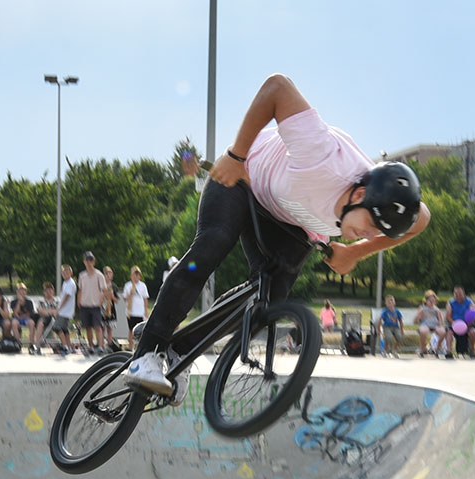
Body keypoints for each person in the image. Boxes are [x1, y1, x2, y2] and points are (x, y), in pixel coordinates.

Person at [127, 73, 430, 405]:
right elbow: (277, 87)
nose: (370, 233)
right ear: (359, 193)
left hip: (289, 221)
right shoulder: (322, 156)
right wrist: (237, 155)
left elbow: (422, 219)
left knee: (267, 301)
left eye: (378, 233)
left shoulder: (382, 207)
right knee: (213, 244)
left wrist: (358, 252)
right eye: (371, 224)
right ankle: (147, 352)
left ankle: (177, 352)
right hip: (244, 180)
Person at [77, 251, 107, 354]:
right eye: (87, 260)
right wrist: (79, 301)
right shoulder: (82, 275)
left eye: (91, 260)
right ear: (84, 262)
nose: (89, 262)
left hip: (95, 305)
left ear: (93, 262)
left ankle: (100, 346)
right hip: (85, 304)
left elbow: (104, 290)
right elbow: (80, 289)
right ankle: (90, 347)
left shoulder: (99, 275)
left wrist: (100, 302)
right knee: (88, 327)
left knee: (98, 327)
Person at [121, 266, 149, 351]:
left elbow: (145, 299)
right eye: (134, 275)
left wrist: (146, 311)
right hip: (131, 311)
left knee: (140, 331)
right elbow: (124, 298)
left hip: (140, 312)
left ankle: (139, 347)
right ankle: (130, 346)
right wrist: (130, 294)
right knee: (131, 330)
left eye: (138, 275)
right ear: (131, 276)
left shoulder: (142, 286)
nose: (136, 277)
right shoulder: (128, 285)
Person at [445, 286, 475, 359]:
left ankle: (472, 349)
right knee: (449, 332)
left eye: (460, 293)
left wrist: (468, 323)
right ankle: (449, 351)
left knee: (473, 332)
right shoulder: (451, 302)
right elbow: (448, 316)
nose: (458, 295)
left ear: (464, 294)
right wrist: (454, 323)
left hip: (467, 324)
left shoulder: (469, 302)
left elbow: (473, 314)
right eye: (456, 293)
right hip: (454, 324)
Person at [413, 290, 443, 358]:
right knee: (423, 331)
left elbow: (441, 320)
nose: (432, 303)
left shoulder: (437, 310)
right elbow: (416, 320)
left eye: (434, 301)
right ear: (426, 301)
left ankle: (437, 350)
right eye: (430, 301)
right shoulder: (422, 308)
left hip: (435, 326)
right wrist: (419, 317)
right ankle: (423, 350)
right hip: (425, 325)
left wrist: (439, 324)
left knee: (443, 332)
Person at [55, 264, 77, 354]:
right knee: (64, 329)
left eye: (67, 271)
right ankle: (69, 346)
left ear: (71, 273)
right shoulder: (66, 282)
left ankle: (65, 347)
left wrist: (59, 308)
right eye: (63, 271)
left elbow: (67, 296)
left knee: (57, 327)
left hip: (65, 311)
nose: (65, 273)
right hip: (65, 310)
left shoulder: (70, 283)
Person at [34, 281, 59, 354]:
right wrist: (51, 311)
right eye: (46, 290)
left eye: (50, 289)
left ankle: (53, 345)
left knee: (45, 325)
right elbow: (39, 310)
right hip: (43, 319)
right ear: (44, 292)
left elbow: (57, 311)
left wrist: (46, 311)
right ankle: (38, 346)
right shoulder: (41, 301)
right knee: (41, 324)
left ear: (53, 291)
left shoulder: (57, 301)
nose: (48, 291)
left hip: (54, 319)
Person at [10, 283, 37, 349]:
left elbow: (30, 314)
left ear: (26, 292)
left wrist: (21, 316)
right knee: (14, 323)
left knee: (32, 323)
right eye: (20, 290)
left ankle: (31, 344)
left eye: (24, 290)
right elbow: (15, 313)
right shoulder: (13, 301)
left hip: (26, 319)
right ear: (17, 292)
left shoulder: (29, 302)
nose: (22, 292)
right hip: (16, 319)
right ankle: (18, 343)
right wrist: (19, 302)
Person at [101, 266, 119, 350]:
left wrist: (111, 297)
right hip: (102, 308)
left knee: (109, 328)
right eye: (106, 274)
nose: (108, 276)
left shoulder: (113, 286)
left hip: (111, 309)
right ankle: (101, 344)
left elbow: (117, 300)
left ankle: (109, 345)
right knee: (101, 327)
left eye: (110, 274)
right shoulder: (101, 285)